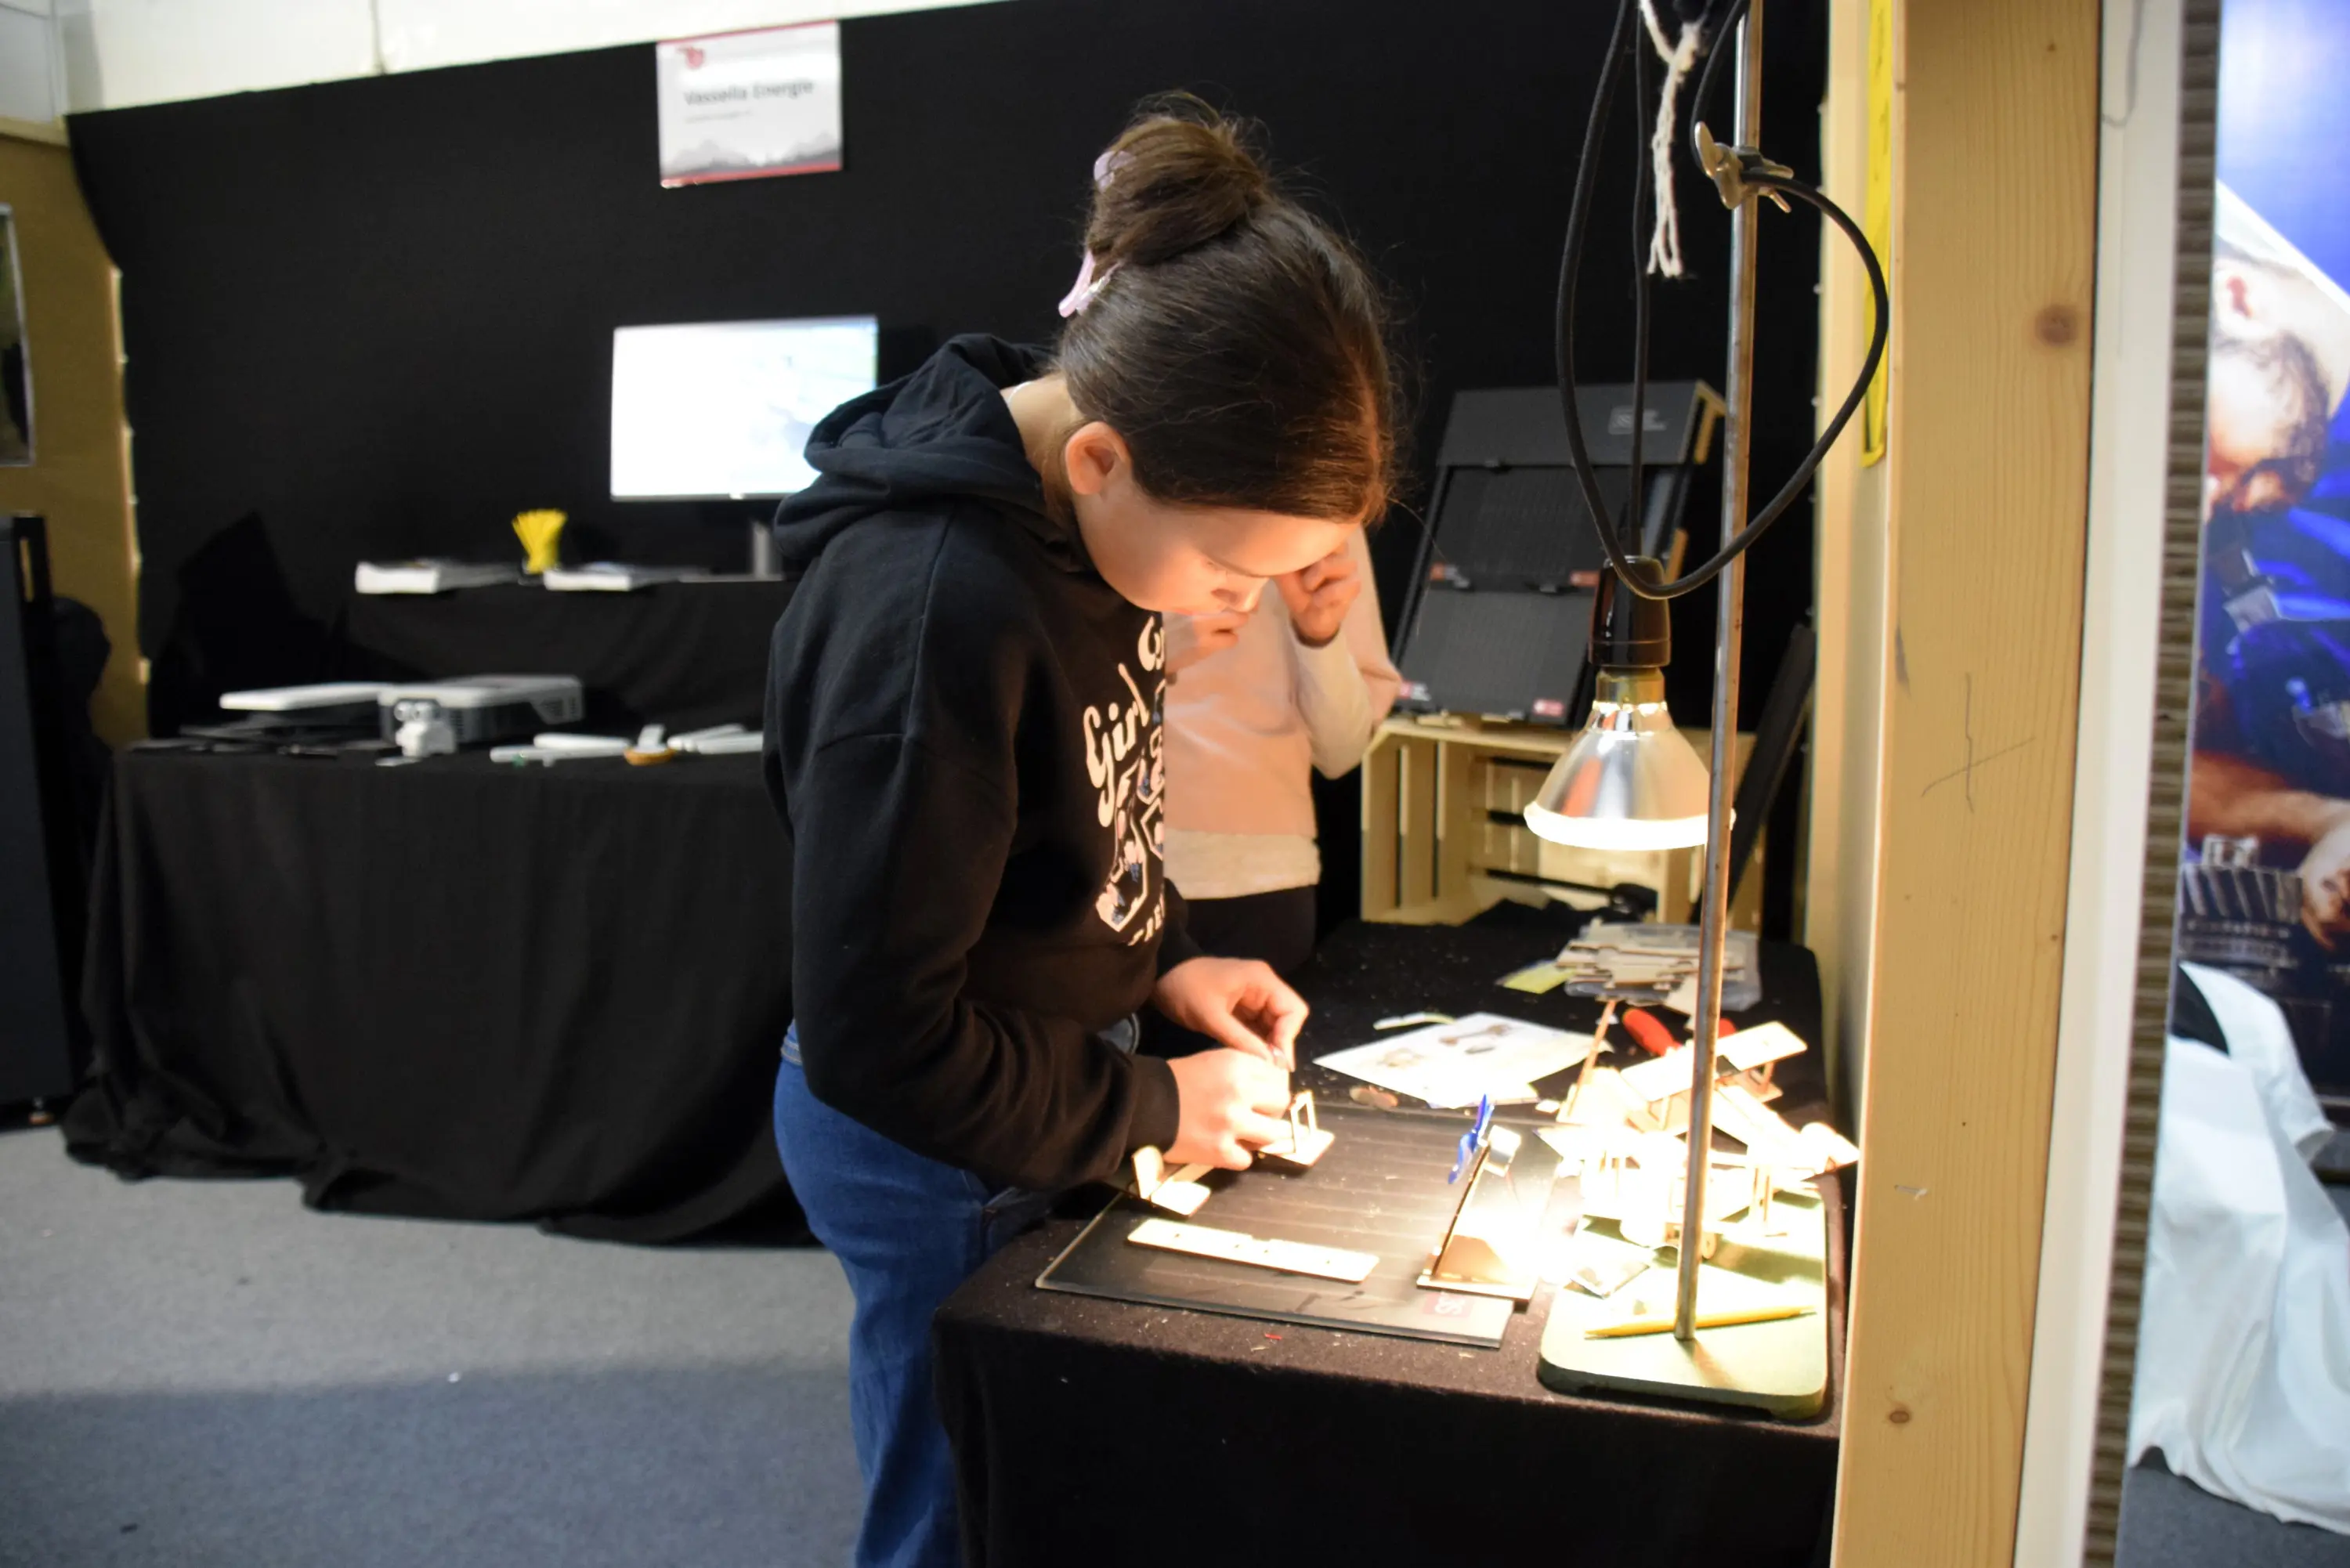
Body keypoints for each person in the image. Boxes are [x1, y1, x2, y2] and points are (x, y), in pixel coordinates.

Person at [761, 98, 1401, 1568]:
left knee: (1048, 1479)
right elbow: (878, 1034)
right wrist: (1157, 1114)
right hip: (931, 1140)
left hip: (1039, 1070)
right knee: (961, 1502)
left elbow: (1077, 815)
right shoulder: (935, 614)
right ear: (1105, 460)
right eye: (1238, 569)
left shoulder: (1084, 519)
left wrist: (1162, 958)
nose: (1237, 611)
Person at [1159, 530, 1399, 980]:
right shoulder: (1098, 479)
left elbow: (1341, 752)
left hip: (1264, 876)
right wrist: (1151, 651)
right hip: (1101, 871)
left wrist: (1319, 636)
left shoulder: (1323, 498)